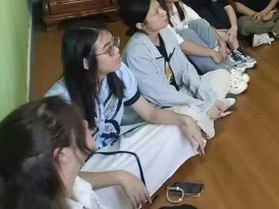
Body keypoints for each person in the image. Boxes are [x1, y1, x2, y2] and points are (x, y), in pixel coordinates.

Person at [45, 24, 207, 209]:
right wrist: (119, 176)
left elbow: (150, 113)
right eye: (109, 49)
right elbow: (60, 179)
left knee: (175, 129)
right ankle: (132, 185)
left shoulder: (119, 72)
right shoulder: (60, 104)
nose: (117, 51)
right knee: (82, 197)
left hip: (115, 147)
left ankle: (134, 186)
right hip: (86, 170)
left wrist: (186, 120)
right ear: (87, 63)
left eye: (115, 43)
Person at [119, 0, 245, 124]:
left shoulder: (165, 32)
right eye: (156, 12)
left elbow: (186, 70)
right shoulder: (136, 53)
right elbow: (161, 95)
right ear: (141, 25)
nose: (164, 12)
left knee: (222, 75)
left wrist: (210, 100)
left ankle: (212, 110)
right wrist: (203, 105)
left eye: (160, 7)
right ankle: (208, 114)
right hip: (158, 106)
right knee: (186, 116)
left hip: (180, 92)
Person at [147, 0, 253, 82]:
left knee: (198, 24)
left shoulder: (178, 5)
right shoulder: (158, 16)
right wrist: (212, 53)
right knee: (186, 33)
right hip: (175, 56)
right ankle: (222, 74)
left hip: (192, 50)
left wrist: (221, 44)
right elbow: (182, 46)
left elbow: (204, 23)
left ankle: (228, 66)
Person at [0, 96, 104, 209]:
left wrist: (118, 177)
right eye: (77, 125)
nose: (85, 123)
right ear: (62, 154)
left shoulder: (71, 183)